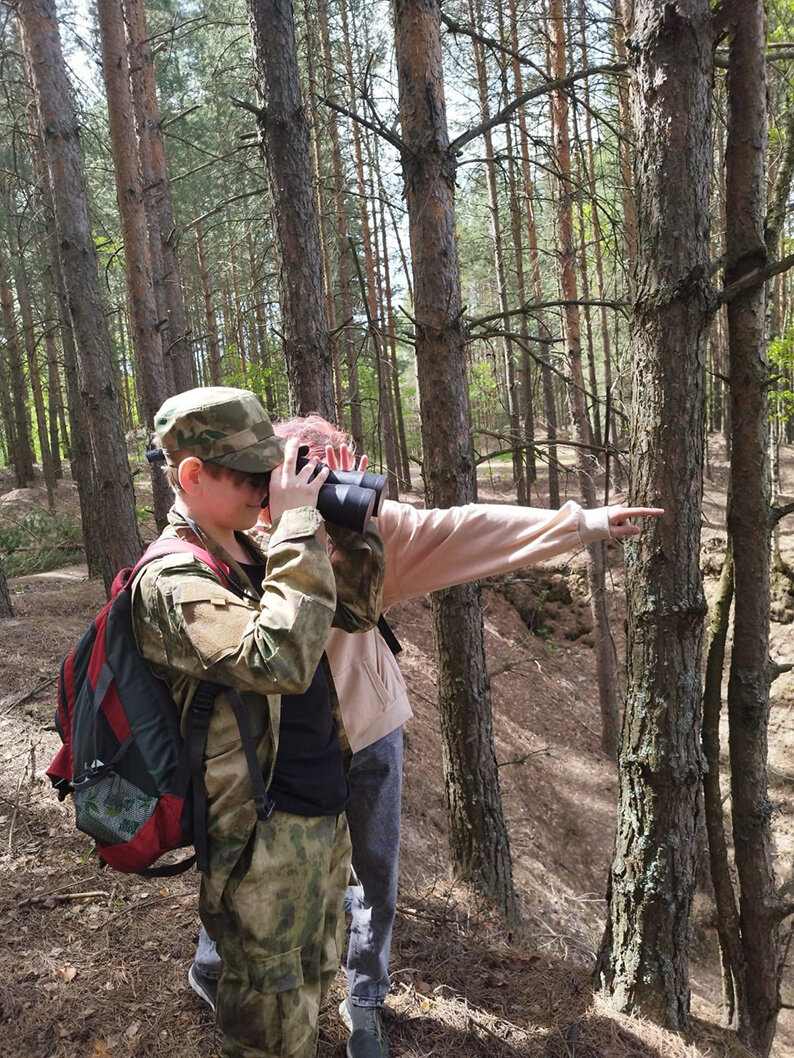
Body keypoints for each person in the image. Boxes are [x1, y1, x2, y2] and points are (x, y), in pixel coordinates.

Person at [189, 413, 663, 1058]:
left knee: (374, 872)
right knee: (250, 861)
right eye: (299, 470)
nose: (322, 485)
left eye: (334, 470)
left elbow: (465, 527)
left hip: (365, 728)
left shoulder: (373, 531)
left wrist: (580, 523)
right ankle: (217, 961)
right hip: (265, 749)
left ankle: (365, 1003)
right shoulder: (227, 543)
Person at [132, 389, 385, 1058]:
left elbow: (354, 614)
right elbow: (278, 659)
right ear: (192, 475)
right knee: (270, 1025)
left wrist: (347, 523)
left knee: (311, 983)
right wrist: (296, 530)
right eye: (248, 474)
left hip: (317, 813)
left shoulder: (256, 547)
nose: (263, 487)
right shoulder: (172, 580)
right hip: (257, 839)